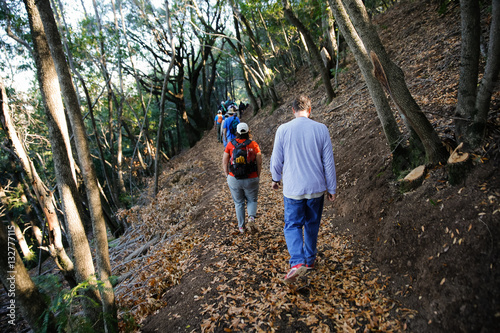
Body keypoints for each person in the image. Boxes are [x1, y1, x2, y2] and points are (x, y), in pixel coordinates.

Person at [270, 95, 337, 284]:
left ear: (293, 111)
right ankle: (309, 260)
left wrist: (275, 179)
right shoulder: (321, 129)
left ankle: (297, 263)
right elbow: (328, 163)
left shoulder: (283, 130)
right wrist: (331, 187)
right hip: (316, 188)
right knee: (312, 224)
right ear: (310, 110)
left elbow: (276, 160)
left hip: (293, 189)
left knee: (292, 225)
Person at [223, 123, 262, 234]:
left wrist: (227, 175)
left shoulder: (230, 144)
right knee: (252, 200)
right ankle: (251, 219)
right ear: (248, 131)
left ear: (237, 132)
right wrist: (257, 175)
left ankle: (241, 228)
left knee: (239, 203)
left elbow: (225, 161)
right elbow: (259, 162)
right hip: (251, 178)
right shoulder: (254, 144)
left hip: (234, 178)